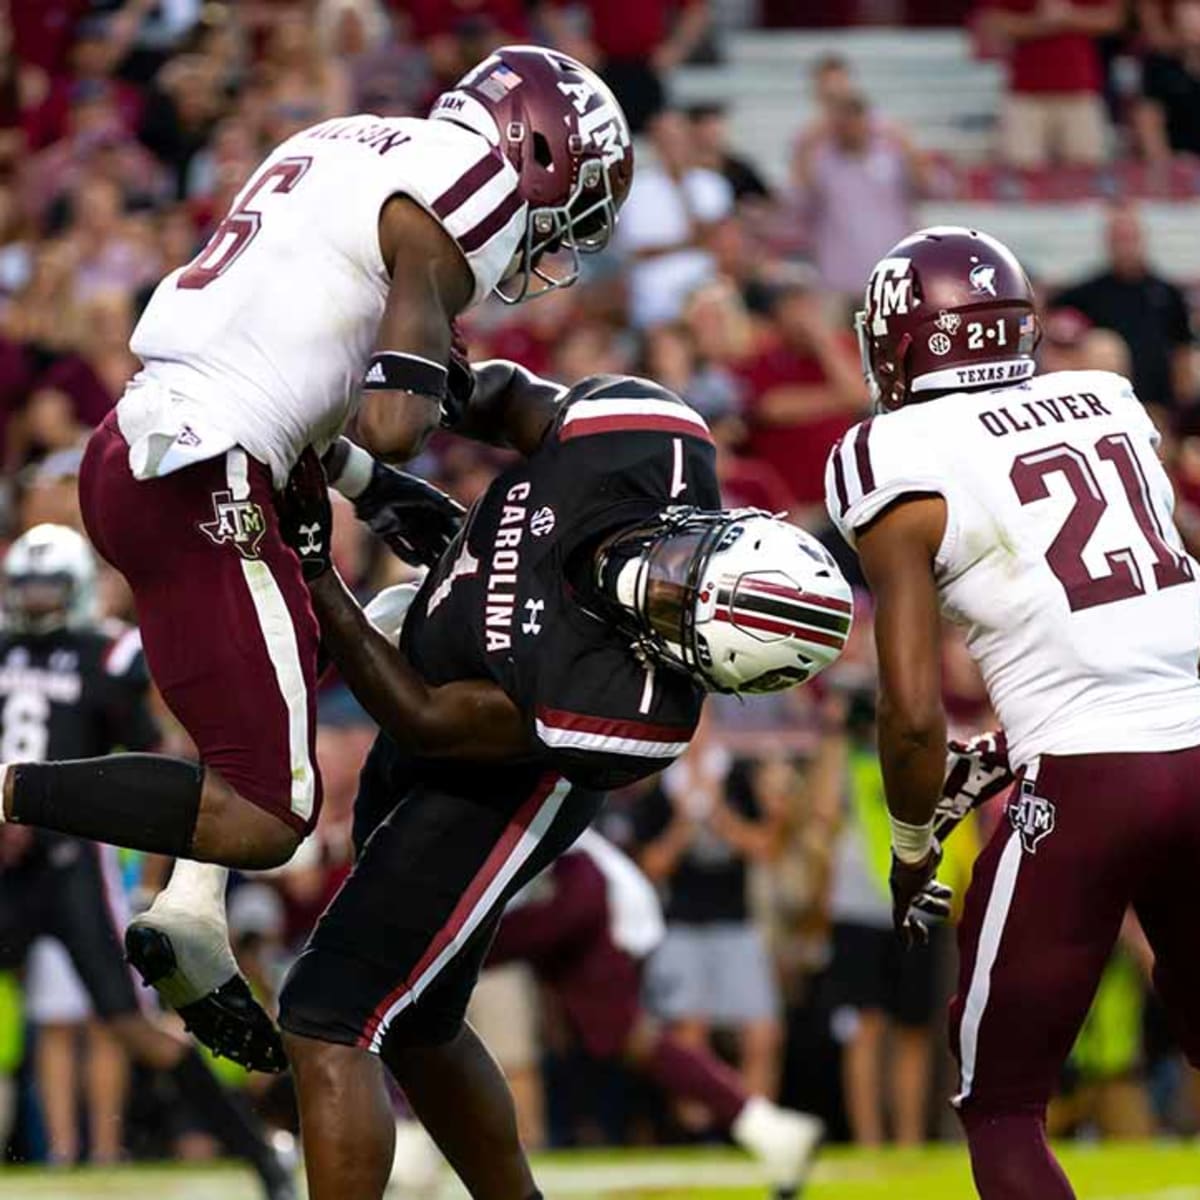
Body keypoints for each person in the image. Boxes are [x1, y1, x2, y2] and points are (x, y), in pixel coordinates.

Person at [0, 46, 635, 1073]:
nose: (556, 237)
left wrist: (370, 492)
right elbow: (391, 417)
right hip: (206, 474)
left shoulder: (341, 142)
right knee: (268, 815)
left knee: (366, 639)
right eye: (574, 200)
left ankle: (189, 906)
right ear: (537, 149)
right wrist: (400, 444)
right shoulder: (470, 190)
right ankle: (25, 799)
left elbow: (290, 357)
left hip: (148, 450)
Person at [273, 363, 858, 1200]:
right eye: (685, 565)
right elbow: (504, 397)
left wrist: (315, 564)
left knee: (329, 1011)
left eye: (672, 612)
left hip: (500, 787)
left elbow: (429, 717)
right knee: (422, 1024)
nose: (649, 583)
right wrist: (385, 419)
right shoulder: (649, 444)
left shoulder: (632, 709)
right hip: (430, 703)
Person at [824, 225, 1200, 1199]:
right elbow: (1137, 610)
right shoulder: (1108, 400)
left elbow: (910, 717)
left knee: (1001, 1105)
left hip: (1087, 776)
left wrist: (913, 847)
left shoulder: (893, 450)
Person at [0, 525, 294, 1198]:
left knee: (134, 1027)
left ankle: (261, 1159)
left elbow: (150, 758)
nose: (39, 606)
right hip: (7, 862)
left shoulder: (108, 651)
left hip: (73, 862)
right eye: (29, 594)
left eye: (50, 594)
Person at [393, 828, 822, 1188]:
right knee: (420, 981)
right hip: (566, 887)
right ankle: (769, 1128)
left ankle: (412, 1138)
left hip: (583, 889)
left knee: (418, 978)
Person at [1054, 202, 1195, 416]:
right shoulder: (1085, 294)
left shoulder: (1167, 292)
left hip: (1158, 404)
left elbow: (1182, 350)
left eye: (1129, 237)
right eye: (1118, 238)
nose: (1125, 246)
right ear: (1108, 242)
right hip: (1109, 407)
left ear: (1141, 239)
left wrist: (1183, 403)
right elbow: (1056, 334)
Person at [976, 0, 1123, 168]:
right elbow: (994, 23)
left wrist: (1068, 15)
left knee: (1086, 172)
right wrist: (1042, 23)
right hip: (1025, 94)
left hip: (1079, 91)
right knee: (1021, 170)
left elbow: (1112, 20)